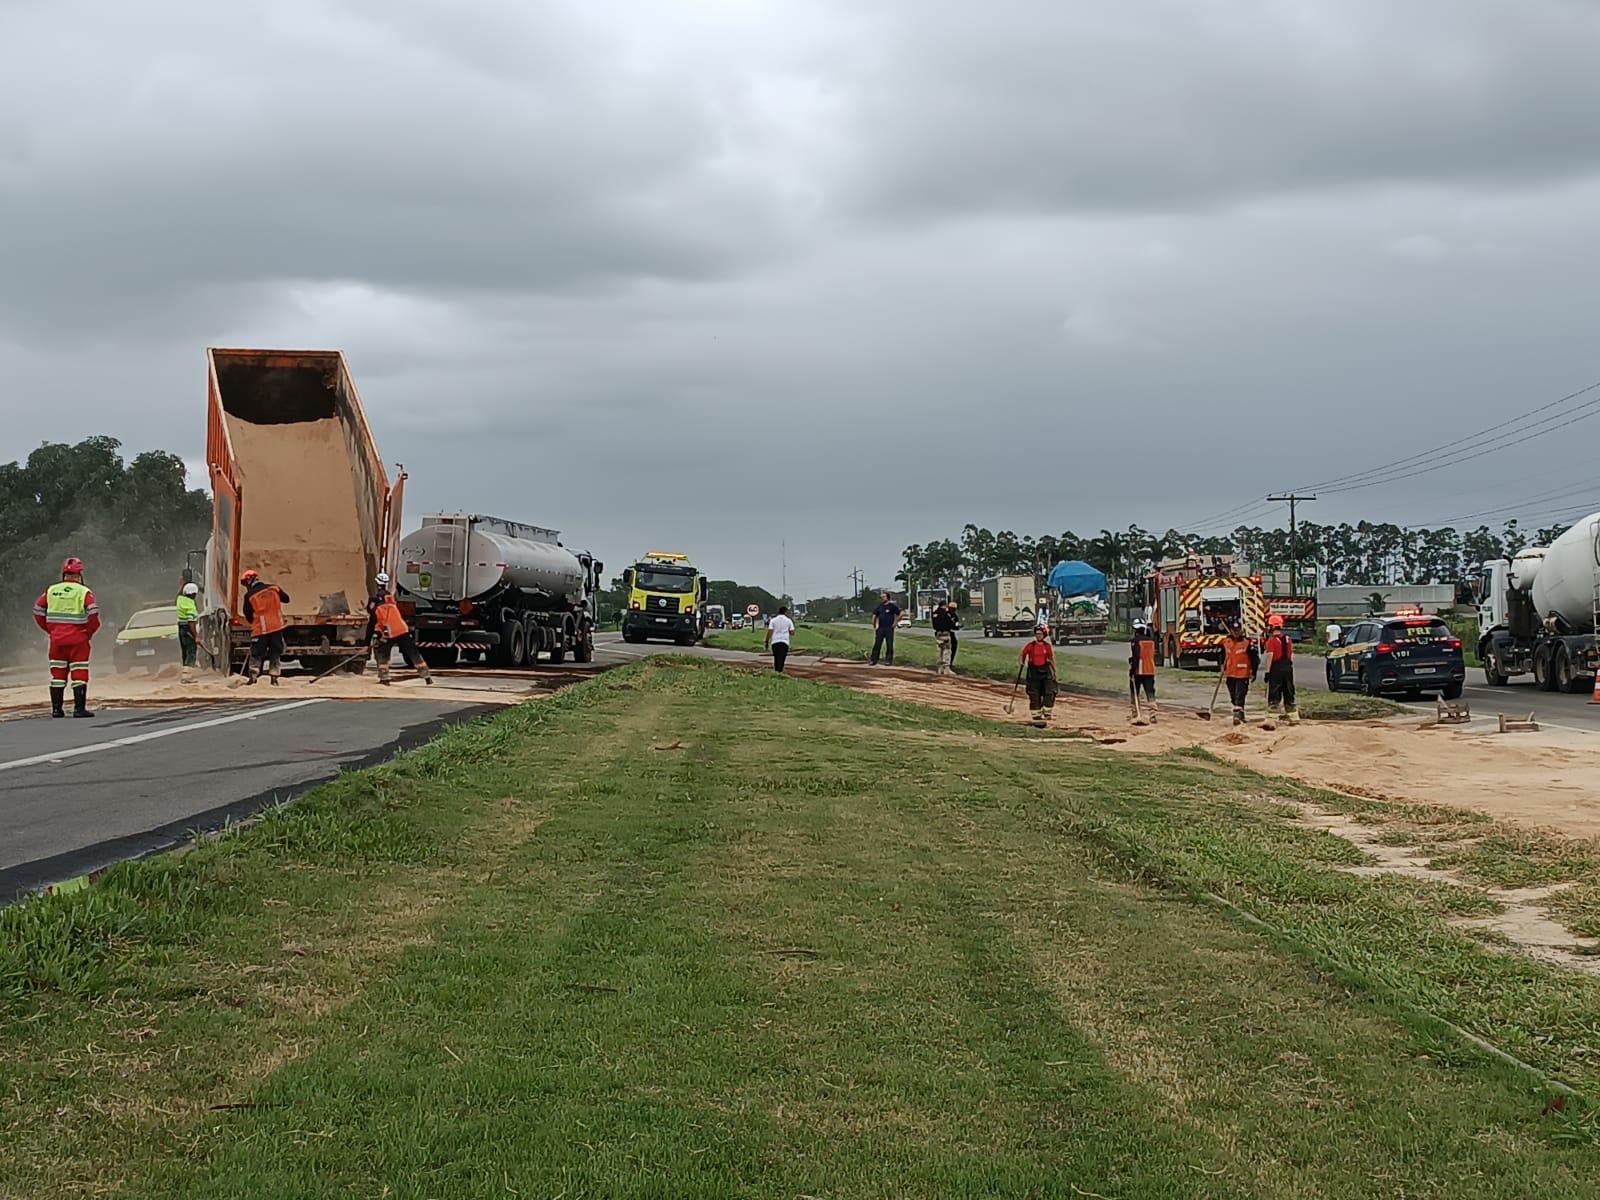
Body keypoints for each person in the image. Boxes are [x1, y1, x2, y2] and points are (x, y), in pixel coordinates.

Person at [33, 556, 101, 718]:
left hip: (56, 641)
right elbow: (93, 613)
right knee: (79, 674)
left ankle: (57, 710)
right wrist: (88, 632)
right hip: (78, 641)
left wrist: (50, 629)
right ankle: (79, 709)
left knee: (57, 675)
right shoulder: (84, 592)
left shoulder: (51, 591)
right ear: (79, 576)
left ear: (63, 575)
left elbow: (37, 610)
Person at [370, 588, 433, 685]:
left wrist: (377, 638)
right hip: (403, 631)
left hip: (389, 632)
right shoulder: (393, 606)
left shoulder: (378, 609)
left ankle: (384, 678)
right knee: (414, 654)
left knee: (382, 654)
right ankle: (427, 677)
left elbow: (380, 624)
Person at [240, 569, 290, 685]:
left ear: (248, 582)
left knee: (256, 654)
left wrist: (253, 622)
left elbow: (248, 614)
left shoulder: (250, 596)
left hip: (261, 629)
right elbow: (286, 599)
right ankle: (274, 678)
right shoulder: (274, 588)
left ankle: (253, 677)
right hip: (277, 627)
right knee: (275, 653)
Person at [1221, 618, 1260, 726]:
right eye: (1234, 630)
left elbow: (1255, 659)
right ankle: (1240, 714)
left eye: (1238, 630)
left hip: (1243, 674)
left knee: (1240, 696)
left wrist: (1254, 672)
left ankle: (1237, 716)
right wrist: (1221, 667)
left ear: (1241, 631)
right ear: (1231, 631)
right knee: (1233, 697)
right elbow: (1222, 655)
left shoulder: (1247, 643)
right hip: (1230, 674)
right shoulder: (1226, 642)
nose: (1236, 632)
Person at [1263, 614, 1299, 724]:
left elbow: (1270, 656)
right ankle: (1294, 718)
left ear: (1271, 627)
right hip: (1288, 668)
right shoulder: (1288, 639)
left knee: (1274, 693)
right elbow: (1290, 654)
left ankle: (1271, 720)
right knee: (1289, 692)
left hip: (1276, 669)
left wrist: (1267, 672)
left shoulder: (1272, 641)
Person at [1019, 625, 1057, 722]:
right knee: (1034, 694)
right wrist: (1021, 661)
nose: (1038, 636)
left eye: (1040, 634)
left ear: (1044, 635)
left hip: (1045, 670)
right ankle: (1036, 715)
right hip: (1033, 672)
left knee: (1049, 692)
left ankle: (1047, 712)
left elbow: (1051, 659)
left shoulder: (1047, 646)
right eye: (1037, 634)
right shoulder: (1030, 645)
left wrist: (1054, 671)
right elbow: (1022, 653)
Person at [1129, 620, 1158, 722]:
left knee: (1134, 692)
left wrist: (1132, 671)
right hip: (1150, 670)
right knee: (1150, 692)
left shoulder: (1135, 641)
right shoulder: (1151, 641)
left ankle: (1135, 713)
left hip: (1139, 671)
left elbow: (1136, 657)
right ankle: (1153, 714)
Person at [176, 581, 200, 683]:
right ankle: (187, 677)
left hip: (181, 628)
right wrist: (196, 636)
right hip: (188, 629)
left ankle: (185, 675)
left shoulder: (180, 600)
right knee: (191, 652)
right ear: (193, 594)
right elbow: (191, 622)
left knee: (185, 652)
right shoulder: (190, 605)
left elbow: (179, 593)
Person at [870, 591, 900, 665]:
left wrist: (895, 622)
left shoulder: (892, 606)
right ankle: (873, 660)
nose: (882, 598)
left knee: (889, 644)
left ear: (887, 597)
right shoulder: (879, 606)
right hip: (880, 628)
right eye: (881, 597)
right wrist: (874, 625)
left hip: (889, 628)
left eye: (883, 597)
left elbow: (901, 613)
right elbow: (874, 615)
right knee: (877, 644)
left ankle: (888, 660)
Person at [931, 599, 958, 675]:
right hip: (945, 633)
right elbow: (951, 624)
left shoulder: (934, 614)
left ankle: (939, 668)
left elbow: (934, 625)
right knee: (946, 650)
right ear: (944, 605)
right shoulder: (946, 614)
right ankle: (946, 668)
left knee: (939, 650)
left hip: (938, 633)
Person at [765, 604, 795, 672]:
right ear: (785, 612)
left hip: (775, 642)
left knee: (776, 658)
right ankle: (780, 670)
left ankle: (776, 671)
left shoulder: (773, 620)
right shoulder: (788, 620)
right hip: (784, 642)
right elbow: (792, 632)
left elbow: (769, 631)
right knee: (782, 658)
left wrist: (767, 641)